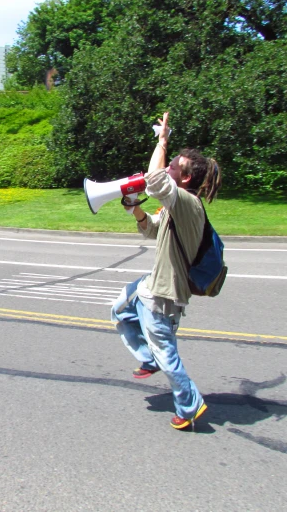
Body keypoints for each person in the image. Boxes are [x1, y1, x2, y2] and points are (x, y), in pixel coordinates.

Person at [111, 111, 221, 430]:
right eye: (169, 161)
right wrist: (135, 210)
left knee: (167, 356)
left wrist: (162, 141)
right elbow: (151, 230)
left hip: (164, 296)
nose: (168, 167)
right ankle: (146, 357)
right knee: (119, 309)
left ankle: (190, 406)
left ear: (184, 178)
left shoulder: (187, 203)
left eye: (174, 166)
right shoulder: (176, 205)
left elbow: (154, 178)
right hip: (151, 287)